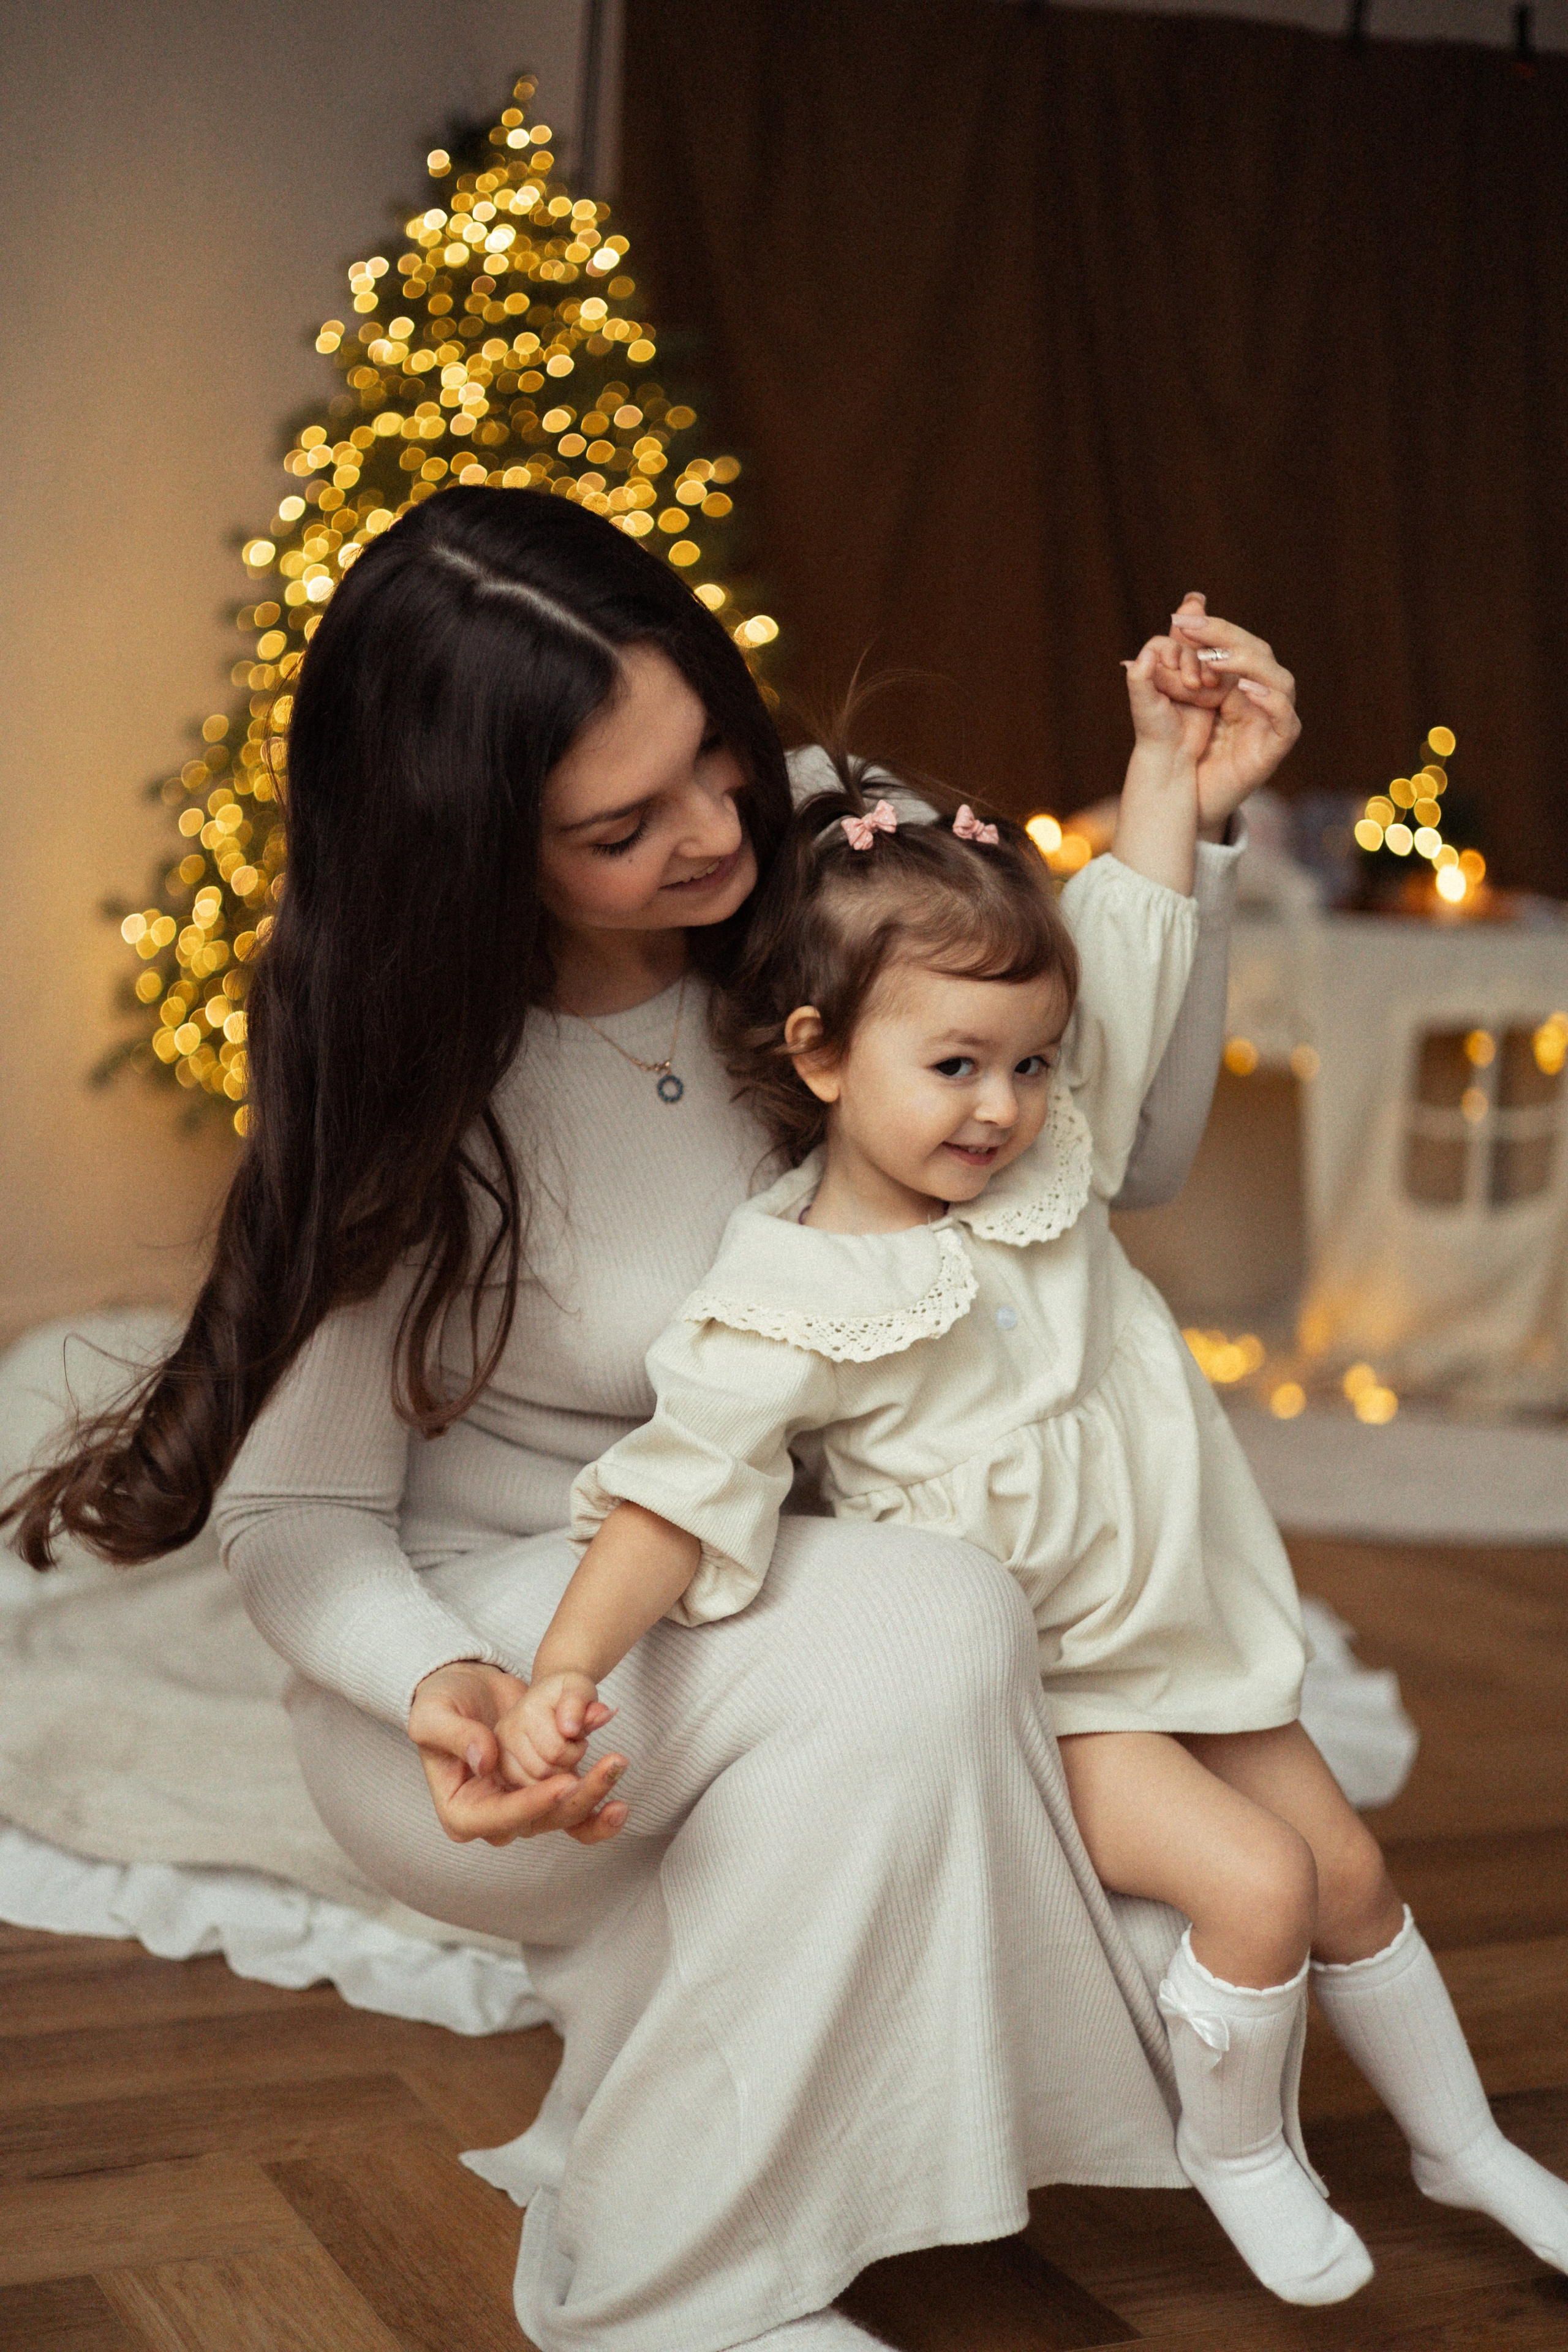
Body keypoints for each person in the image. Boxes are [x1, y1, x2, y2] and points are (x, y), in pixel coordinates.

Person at [8, 489, 1283, 2351]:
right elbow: (298, 1522)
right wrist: (444, 1687)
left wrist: (1191, 808)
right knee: (935, 1622)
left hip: (756, 1584)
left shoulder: (825, 853)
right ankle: (658, 2293)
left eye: (710, 754)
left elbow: (1110, 1160)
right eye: (621, 827)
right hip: (498, 1673)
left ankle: (687, 2112)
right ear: (472, 852)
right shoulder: (421, 1074)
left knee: (1140, 1840)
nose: (714, 831)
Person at [507, 633, 1568, 2313]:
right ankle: (1239, 2147)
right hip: (1055, 1701)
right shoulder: (790, 1287)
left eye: (1028, 1062)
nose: (1001, 1107)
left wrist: (1166, 772)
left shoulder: (1049, 1163)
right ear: (823, 1055)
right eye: (953, 1067)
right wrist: (564, 1668)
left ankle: (1462, 2144)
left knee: (1355, 1875)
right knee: (1261, 1884)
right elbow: (674, 1492)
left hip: (1181, 1632)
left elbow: (1133, 942)